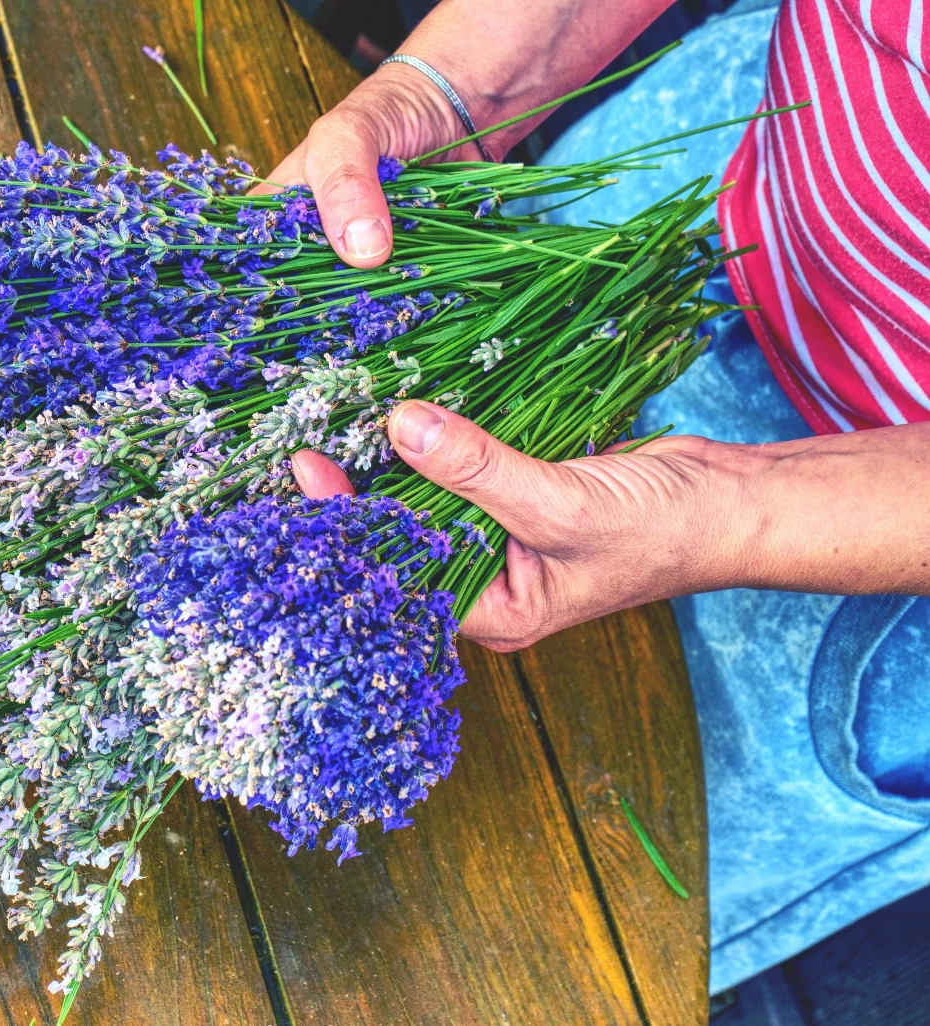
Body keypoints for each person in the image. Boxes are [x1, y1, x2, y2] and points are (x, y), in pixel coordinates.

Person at [267, 0, 930, 994]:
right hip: (760, 129)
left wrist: (729, 506)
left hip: (866, 540)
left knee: (494, 931)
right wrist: (445, 90)